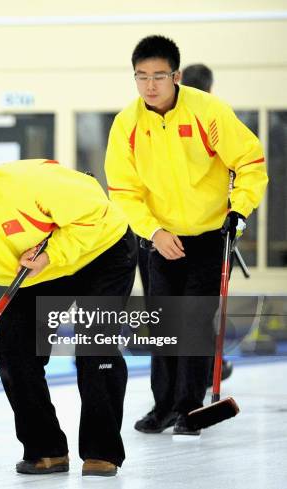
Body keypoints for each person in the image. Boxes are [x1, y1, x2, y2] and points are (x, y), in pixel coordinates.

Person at [0, 139, 137, 477]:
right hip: (38, 271)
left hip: (102, 252)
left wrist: (54, 253)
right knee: (14, 352)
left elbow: (97, 213)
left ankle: (102, 450)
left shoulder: (31, 184)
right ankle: (46, 449)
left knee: (95, 347)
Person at [105, 35, 267, 436]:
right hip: (159, 240)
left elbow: (250, 163)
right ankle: (162, 407)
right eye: (141, 77)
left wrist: (239, 211)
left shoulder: (208, 112)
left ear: (175, 75)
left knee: (193, 322)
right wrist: (154, 231)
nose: (150, 85)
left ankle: (189, 407)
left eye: (159, 76)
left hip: (211, 237)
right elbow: (124, 191)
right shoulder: (127, 124)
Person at [181, 62, 233, 384]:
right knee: (199, 310)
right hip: (208, 226)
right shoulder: (218, 114)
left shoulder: (190, 115)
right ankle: (205, 369)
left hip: (195, 226)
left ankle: (200, 372)